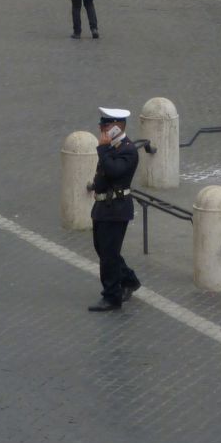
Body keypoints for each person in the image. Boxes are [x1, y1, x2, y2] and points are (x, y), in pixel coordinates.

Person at [87, 107, 141, 312]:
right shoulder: (112, 147)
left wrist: (102, 150)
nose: (102, 128)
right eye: (102, 124)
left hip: (117, 208)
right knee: (104, 250)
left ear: (118, 126)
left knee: (109, 254)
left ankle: (112, 296)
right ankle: (129, 280)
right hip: (103, 207)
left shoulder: (128, 150)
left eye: (106, 125)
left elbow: (114, 171)